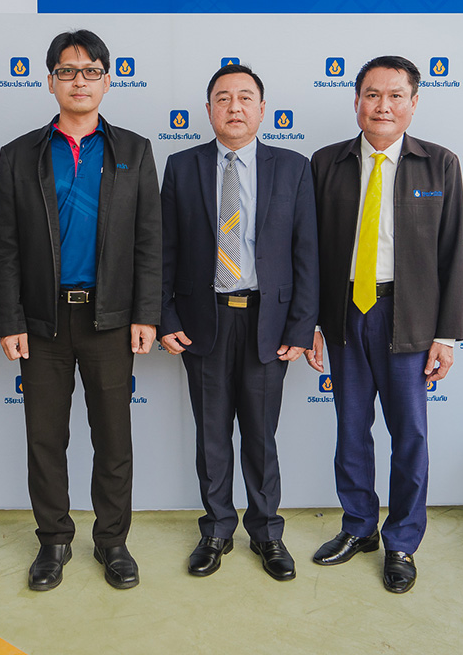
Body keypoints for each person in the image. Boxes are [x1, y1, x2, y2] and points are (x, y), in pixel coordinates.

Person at [0, 29, 161, 592]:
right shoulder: (19, 155)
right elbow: (5, 246)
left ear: (108, 80)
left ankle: (112, 541)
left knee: (113, 438)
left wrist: (146, 313)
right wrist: (11, 320)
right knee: (45, 439)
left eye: (91, 71)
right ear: (50, 82)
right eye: (67, 71)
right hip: (43, 322)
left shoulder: (134, 150)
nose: (79, 81)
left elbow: (149, 240)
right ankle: (54, 541)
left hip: (109, 319)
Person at [307, 55, 463, 594]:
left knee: (409, 434)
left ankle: (401, 541)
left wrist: (445, 334)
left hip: (410, 316)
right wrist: (310, 323)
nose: (383, 106)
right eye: (372, 95)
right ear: (356, 102)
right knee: (351, 429)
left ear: (413, 103)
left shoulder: (439, 164)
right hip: (345, 313)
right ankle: (358, 526)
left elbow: (452, 253)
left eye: (396, 95)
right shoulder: (325, 163)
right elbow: (309, 252)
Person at [159, 63, 319, 582]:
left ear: (262, 109)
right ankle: (216, 530)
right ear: (208, 110)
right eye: (223, 98)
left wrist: (300, 327)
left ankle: (267, 532)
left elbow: (307, 254)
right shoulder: (182, 166)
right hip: (202, 321)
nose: (235, 107)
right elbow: (163, 250)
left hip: (266, 323)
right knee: (211, 435)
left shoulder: (292, 168)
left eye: (245, 97)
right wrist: (165, 316)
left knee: (260, 436)